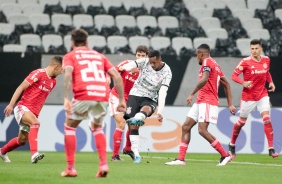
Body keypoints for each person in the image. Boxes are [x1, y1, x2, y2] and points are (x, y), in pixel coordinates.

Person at [61, 29, 126, 178]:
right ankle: (103, 164)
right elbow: (116, 76)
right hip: (102, 95)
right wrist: (121, 100)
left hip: (83, 94)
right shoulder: (99, 56)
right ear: (87, 42)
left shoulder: (70, 56)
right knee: (97, 127)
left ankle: (70, 168)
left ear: (72, 43)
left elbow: (68, 74)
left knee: (69, 127)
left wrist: (66, 98)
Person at [165, 44, 236, 166]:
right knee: (185, 127)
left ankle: (225, 155)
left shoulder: (207, 62)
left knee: (202, 130)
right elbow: (227, 84)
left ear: (201, 54)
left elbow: (204, 79)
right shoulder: (215, 64)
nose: (197, 58)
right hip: (200, 101)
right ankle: (181, 159)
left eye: (197, 55)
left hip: (207, 101)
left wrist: (192, 93)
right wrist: (230, 104)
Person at [0, 56, 63, 163]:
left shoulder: (53, 82)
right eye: (62, 69)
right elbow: (20, 87)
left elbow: (43, 99)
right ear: (56, 67)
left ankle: (2, 151)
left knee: (22, 141)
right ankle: (34, 154)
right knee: (35, 123)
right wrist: (11, 105)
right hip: (22, 107)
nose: (62, 72)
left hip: (33, 112)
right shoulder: (38, 73)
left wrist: (37, 114)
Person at [228, 39, 278, 158]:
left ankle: (271, 148)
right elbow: (234, 76)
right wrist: (243, 82)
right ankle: (232, 144)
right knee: (241, 123)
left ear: (261, 49)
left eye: (256, 48)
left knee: (266, 118)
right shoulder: (245, 62)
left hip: (262, 95)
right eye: (252, 49)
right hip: (248, 97)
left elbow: (266, 72)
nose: (254, 51)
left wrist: (271, 82)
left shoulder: (266, 60)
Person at [119, 50, 172, 163]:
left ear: (159, 59)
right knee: (133, 126)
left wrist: (160, 111)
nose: (152, 65)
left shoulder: (167, 72)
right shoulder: (145, 61)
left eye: (154, 63)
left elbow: (163, 92)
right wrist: (125, 68)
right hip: (135, 94)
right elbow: (133, 64)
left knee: (144, 111)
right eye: (150, 62)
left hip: (151, 98)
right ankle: (137, 154)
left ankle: (139, 117)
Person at [110, 45, 149, 161]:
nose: (140, 58)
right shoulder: (127, 63)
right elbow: (113, 70)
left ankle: (128, 148)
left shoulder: (146, 72)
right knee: (121, 123)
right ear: (135, 55)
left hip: (132, 99)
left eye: (143, 56)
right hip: (117, 96)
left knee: (133, 125)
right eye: (139, 55)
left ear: (147, 57)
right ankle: (115, 155)